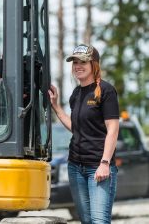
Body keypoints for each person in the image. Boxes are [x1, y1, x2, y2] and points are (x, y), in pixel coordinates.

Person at [48, 44, 119, 224]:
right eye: (75, 62)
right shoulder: (76, 93)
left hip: (98, 167)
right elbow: (77, 128)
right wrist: (56, 106)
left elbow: (113, 129)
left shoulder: (106, 90)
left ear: (94, 64)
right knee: (86, 220)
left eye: (83, 62)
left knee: (99, 220)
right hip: (75, 167)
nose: (78, 66)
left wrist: (105, 163)